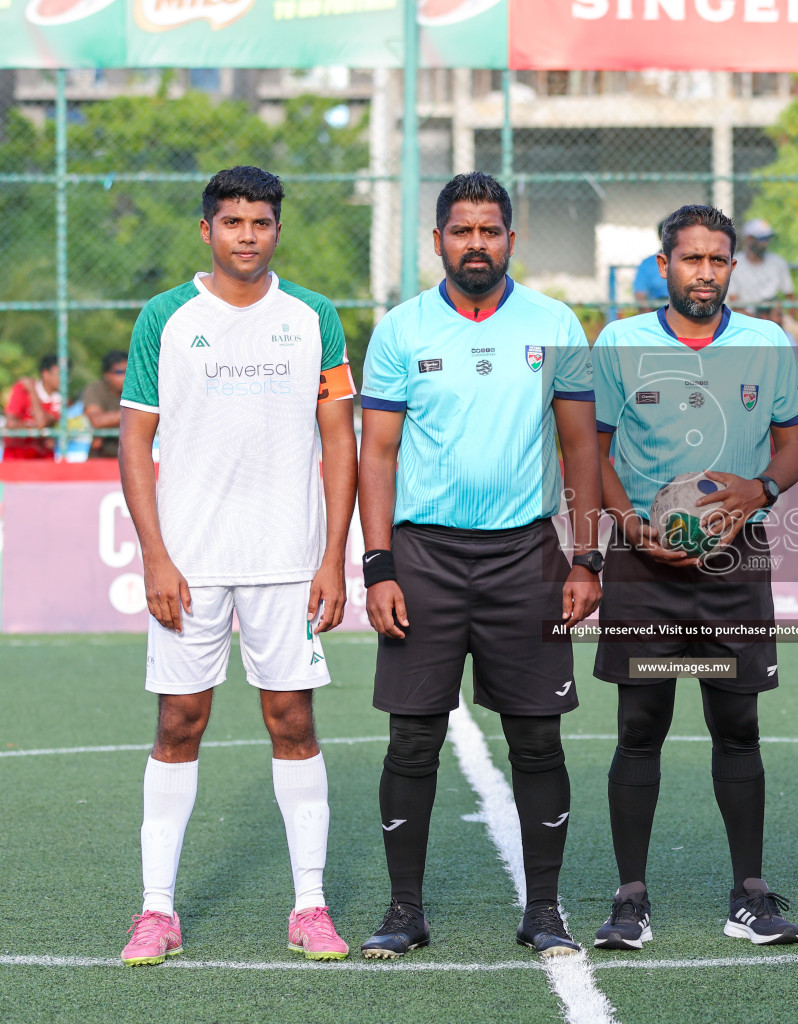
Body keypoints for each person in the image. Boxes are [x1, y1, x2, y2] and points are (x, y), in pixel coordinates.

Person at [356, 172, 603, 960]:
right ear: (437, 241)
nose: (475, 244)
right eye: (461, 231)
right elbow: (379, 455)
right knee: (412, 741)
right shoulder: (401, 329)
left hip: (526, 556)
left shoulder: (554, 321)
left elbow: (579, 448)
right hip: (424, 558)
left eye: (489, 230)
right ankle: (404, 911)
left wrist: (586, 556)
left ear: (509, 240)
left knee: (537, 740)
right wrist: (378, 564)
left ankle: (545, 909)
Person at [116, 166, 358, 966]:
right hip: (189, 563)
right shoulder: (165, 317)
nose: (247, 234)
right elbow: (135, 441)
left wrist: (333, 558)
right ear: (206, 231)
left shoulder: (315, 317)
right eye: (232, 222)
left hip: (288, 561)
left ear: (276, 231)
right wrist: (156, 555)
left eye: (260, 221)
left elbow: (337, 439)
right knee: (178, 722)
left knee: (293, 720)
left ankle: (311, 906)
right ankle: (157, 911)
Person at [590, 205, 798, 952]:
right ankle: (630, 898)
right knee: (641, 724)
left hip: (733, 564)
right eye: (693, 260)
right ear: (664, 265)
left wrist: (761, 492)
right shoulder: (620, 343)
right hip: (643, 566)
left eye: (719, 261)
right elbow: (593, 450)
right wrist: (629, 526)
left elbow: (793, 447)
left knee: (736, 724)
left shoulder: (767, 343)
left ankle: (749, 894)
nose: (708, 274)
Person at [729, 218, 796, 330]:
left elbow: (790, 296)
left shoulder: (778, 262)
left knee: (793, 328)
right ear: (748, 239)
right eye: (761, 239)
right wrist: (759, 321)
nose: (765, 243)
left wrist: (790, 318)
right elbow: (734, 303)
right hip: (745, 316)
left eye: (767, 238)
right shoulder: (735, 264)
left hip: (774, 315)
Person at [3, 354, 62, 460]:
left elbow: (41, 422)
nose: (63, 379)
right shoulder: (22, 388)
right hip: (16, 456)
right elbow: (10, 423)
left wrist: (33, 392)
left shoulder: (59, 399)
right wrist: (39, 431)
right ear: (45, 374)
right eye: (59, 374)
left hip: (42, 458)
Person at [81, 350, 127, 458]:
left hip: (127, 456)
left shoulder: (135, 391)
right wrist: (132, 413)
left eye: (129, 371)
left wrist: (111, 419)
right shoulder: (96, 389)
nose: (126, 376)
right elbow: (97, 421)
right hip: (101, 456)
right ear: (107, 375)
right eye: (120, 372)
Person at [632, 221, 667, 310]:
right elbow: (640, 295)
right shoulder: (647, 264)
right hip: (657, 312)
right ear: (660, 237)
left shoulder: (690, 261)